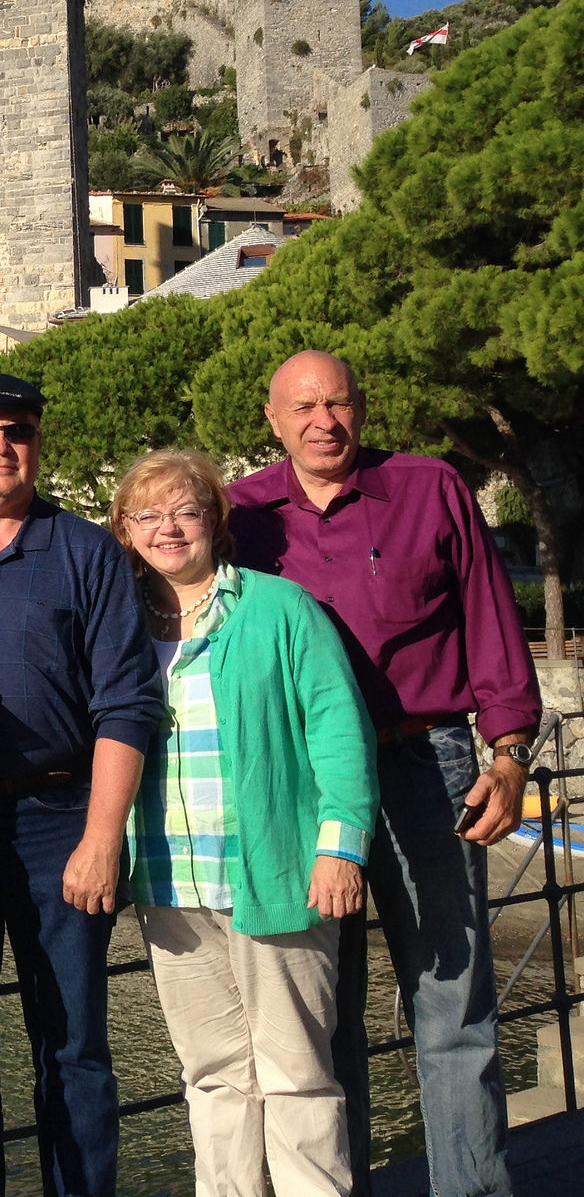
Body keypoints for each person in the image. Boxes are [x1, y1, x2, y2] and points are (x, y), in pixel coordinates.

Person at [229, 351, 541, 1197]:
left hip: (424, 763)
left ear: (361, 410)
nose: (322, 421)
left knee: (452, 1005)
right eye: (303, 407)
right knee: (321, 1019)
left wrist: (509, 754)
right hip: (302, 782)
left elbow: (490, 616)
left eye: (337, 403)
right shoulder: (244, 514)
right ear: (272, 419)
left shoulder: (429, 487)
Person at [0, 373, 166, 1197]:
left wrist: (102, 838)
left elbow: (128, 701)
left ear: (38, 443)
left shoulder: (87, 551)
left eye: (15, 430)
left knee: (75, 1046)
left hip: (63, 819)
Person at [111, 449, 377, 1197]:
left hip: (277, 872)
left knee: (295, 1070)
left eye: (185, 510)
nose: (167, 528)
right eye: (147, 514)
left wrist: (342, 847)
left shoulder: (279, 608)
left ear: (214, 522)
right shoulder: (122, 624)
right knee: (214, 1076)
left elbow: (339, 732)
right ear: (124, 529)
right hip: (170, 885)